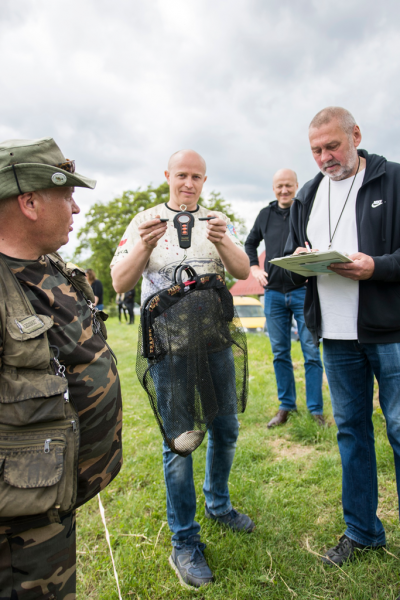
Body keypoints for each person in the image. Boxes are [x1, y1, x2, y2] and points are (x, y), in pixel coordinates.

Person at [111, 149, 253, 589]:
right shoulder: (144, 220)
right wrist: (145, 244)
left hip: (215, 341)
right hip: (169, 348)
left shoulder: (217, 221)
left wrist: (225, 238)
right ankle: (184, 540)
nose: (188, 183)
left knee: (225, 428)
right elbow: (119, 282)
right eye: (181, 175)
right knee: (180, 442)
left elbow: (243, 270)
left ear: (204, 180)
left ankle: (218, 503)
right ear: (167, 176)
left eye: (196, 177)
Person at [0, 137, 123, 598]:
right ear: (29, 202)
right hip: (16, 530)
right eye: (66, 195)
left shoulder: (51, 267)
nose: (76, 209)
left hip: (52, 504)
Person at [285, 107, 400, 575]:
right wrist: (297, 263)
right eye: (316, 150)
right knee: (351, 432)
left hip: (390, 331)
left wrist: (377, 267)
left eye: (332, 146)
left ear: (356, 135)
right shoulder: (307, 194)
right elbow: (296, 251)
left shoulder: (392, 180)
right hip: (334, 336)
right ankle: (362, 532)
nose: (325, 157)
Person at [245, 169, 325, 427]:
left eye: (288, 186)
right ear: (273, 188)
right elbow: (250, 243)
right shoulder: (264, 215)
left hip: (302, 291)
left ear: (296, 186)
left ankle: (315, 410)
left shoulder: (304, 211)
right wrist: (255, 268)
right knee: (280, 353)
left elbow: (320, 241)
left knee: (311, 352)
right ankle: (286, 406)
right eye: (279, 186)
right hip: (273, 294)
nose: (284, 191)